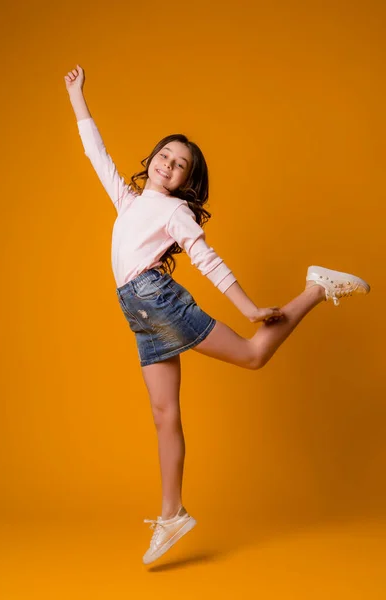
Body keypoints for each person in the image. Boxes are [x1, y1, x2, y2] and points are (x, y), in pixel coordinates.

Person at [64, 64, 371, 565]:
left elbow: (208, 260)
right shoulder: (129, 201)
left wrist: (250, 307)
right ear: (152, 160)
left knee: (253, 355)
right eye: (165, 155)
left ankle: (315, 288)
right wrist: (78, 97)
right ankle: (172, 514)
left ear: (188, 180)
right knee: (164, 415)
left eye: (180, 164)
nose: (168, 164)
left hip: (155, 300)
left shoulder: (173, 212)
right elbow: (94, 151)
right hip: (138, 312)